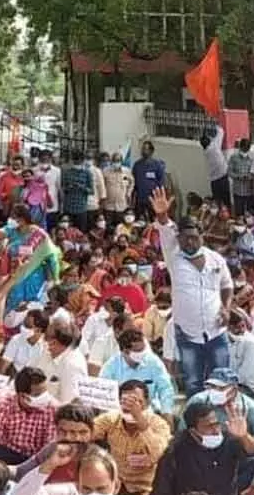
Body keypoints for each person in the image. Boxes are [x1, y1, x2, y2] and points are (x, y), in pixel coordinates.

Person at [150, 188, 233, 396]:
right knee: (194, 383)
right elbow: (165, 229)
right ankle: (198, 422)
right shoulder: (174, 256)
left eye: (193, 238)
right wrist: (162, 214)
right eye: (185, 238)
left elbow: (227, 285)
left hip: (216, 330)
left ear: (201, 236)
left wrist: (226, 307)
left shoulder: (216, 259)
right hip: (187, 333)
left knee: (222, 380)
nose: (189, 242)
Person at [150, 402, 254, 495]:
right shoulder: (176, 449)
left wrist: (244, 436)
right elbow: (161, 490)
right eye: (209, 427)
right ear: (193, 431)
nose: (216, 431)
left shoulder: (229, 440)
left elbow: (252, 451)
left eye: (217, 424)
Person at [92, 379, 173, 495]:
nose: (130, 408)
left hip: (147, 490)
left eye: (137, 402)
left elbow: (160, 454)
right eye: (126, 402)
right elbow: (86, 433)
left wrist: (140, 419)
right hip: (116, 486)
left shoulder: (159, 424)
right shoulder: (111, 420)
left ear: (147, 403)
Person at [182, 367, 254, 449]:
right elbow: (181, 433)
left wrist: (244, 436)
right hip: (202, 452)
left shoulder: (251, 408)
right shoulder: (197, 401)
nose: (215, 391)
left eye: (221, 388)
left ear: (234, 389)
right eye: (212, 387)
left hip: (238, 456)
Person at [0, 367, 56, 465]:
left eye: (45, 392)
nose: (45, 397)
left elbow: (49, 445)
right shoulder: (4, 406)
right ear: (22, 396)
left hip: (34, 459)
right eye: (39, 394)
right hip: (5, 456)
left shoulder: (51, 409)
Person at [99, 328, 176, 417]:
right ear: (125, 351)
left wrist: (166, 412)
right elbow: (104, 398)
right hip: (120, 413)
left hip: (151, 412)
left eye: (143, 350)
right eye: (138, 351)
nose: (142, 354)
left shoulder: (153, 361)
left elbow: (165, 388)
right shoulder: (110, 367)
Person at [13, 444, 122, 495]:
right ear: (78, 485)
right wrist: (49, 465)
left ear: (116, 486)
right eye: (86, 489)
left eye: (101, 489)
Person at [30, 319, 88, 405]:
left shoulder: (73, 365)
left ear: (55, 342)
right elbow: (26, 374)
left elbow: (69, 404)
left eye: (46, 338)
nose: (43, 340)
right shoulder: (46, 352)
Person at [131, 140, 165, 220]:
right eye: (142, 149)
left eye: (145, 149)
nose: (143, 151)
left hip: (153, 200)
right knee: (138, 220)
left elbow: (161, 183)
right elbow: (133, 182)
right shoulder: (137, 164)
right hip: (140, 199)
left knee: (153, 220)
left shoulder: (157, 165)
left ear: (151, 151)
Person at [201, 126, 230, 208]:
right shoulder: (214, 147)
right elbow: (221, 132)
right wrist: (217, 125)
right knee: (226, 202)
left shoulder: (206, 151)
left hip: (214, 181)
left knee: (217, 204)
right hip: (222, 178)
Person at [228, 139, 254, 216]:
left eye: (247, 147)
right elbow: (229, 172)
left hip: (249, 191)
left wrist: (249, 176)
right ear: (241, 147)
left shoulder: (252, 158)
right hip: (238, 191)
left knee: (250, 214)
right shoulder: (234, 157)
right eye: (244, 147)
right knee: (239, 213)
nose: (245, 149)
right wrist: (238, 177)